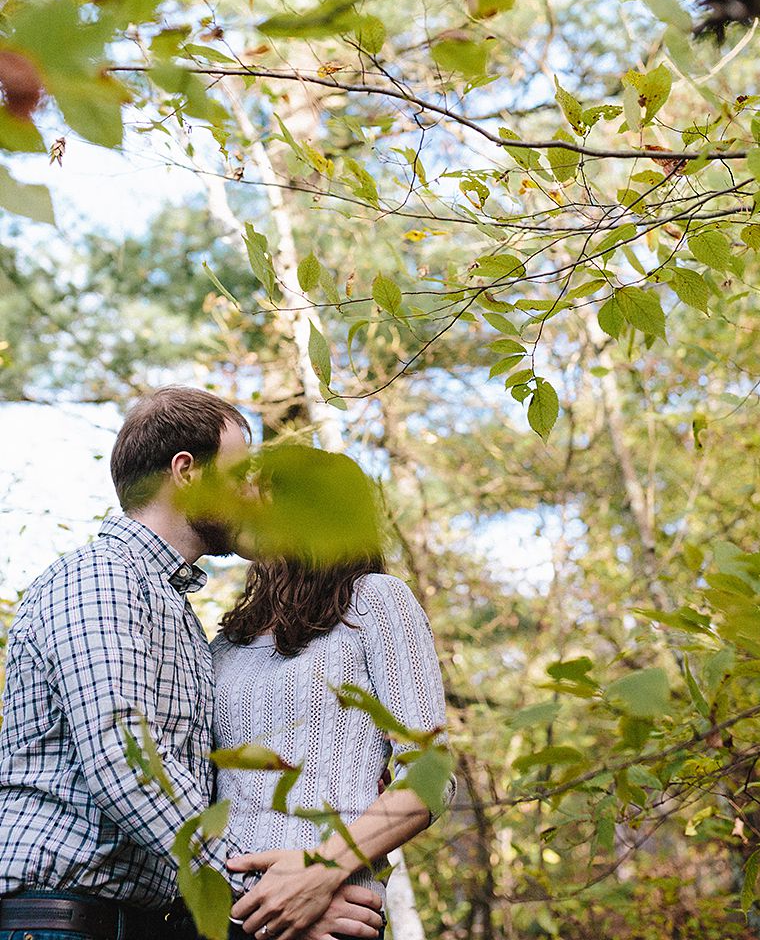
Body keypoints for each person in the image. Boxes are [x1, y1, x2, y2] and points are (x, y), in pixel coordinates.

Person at [0, 386, 384, 940]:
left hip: (140, 923)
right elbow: (127, 763)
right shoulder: (101, 580)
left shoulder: (175, 610)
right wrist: (269, 894)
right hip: (65, 919)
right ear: (186, 472)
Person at [211, 451, 456, 940]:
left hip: (331, 916)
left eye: (255, 484)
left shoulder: (376, 601)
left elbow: (430, 775)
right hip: (224, 916)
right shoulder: (227, 642)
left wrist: (317, 872)